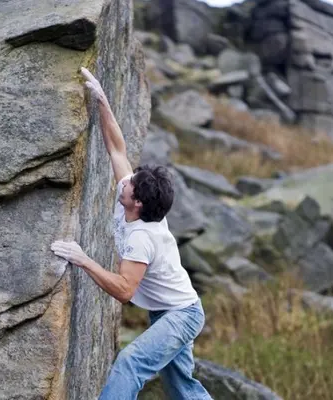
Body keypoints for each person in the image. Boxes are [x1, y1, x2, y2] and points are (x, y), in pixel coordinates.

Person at [51, 67, 213, 400]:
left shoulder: (142, 237)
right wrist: (103, 101)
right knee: (181, 387)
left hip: (181, 315)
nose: (125, 181)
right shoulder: (133, 194)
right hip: (172, 308)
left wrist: (83, 259)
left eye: (132, 185)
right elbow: (117, 150)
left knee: (129, 363)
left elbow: (125, 290)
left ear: (137, 204)